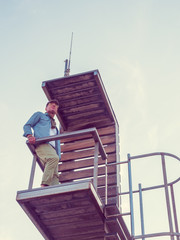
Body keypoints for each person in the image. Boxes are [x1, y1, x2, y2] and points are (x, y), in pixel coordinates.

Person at [23, 100, 61, 187]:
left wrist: (59, 156)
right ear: (46, 108)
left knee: (55, 175)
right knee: (53, 158)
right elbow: (27, 125)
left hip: (53, 150)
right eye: (51, 105)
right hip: (42, 144)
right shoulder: (39, 115)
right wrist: (29, 136)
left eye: (55, 106)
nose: (54, 106)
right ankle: (44, 185)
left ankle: (55, 193)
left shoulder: (55, 127)